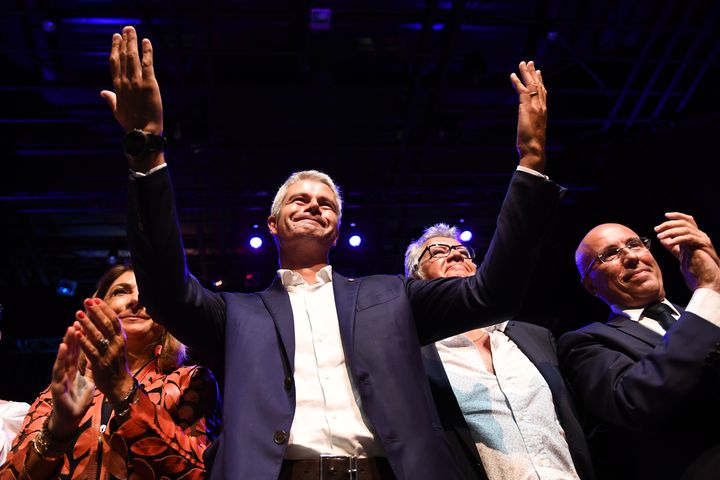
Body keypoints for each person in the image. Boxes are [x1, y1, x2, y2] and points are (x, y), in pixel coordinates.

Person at [101, 25, 564, 479]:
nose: (314, 204)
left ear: (337, 231)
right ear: (272, 224)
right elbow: (162, 287)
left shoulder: (393, 296)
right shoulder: (234, 314)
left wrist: (532, 162)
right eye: (299, 198)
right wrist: (147, 154)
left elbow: (493, 294)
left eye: (327, 203)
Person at [404, 223, 595, 480]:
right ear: (417, 279)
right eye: (438, 251)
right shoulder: (413, 353)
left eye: (463, 251)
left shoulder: (535, 337)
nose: (456, 254)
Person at [0, 265, 221, 479]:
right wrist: (59, 428)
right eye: (121, 291)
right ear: (97, 308)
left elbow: (203, 472)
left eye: (147, 293)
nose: (136, 300)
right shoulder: (59, 393)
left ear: (164, 317)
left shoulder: (189, 381)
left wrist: (123, 391)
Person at [558, 213, 720, 480]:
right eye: (609, 254)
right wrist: (706, 292)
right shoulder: (586, 343)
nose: (632, 257)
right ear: (591, 286)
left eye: (635, 244)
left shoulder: (711, 311)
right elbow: (635, 403)